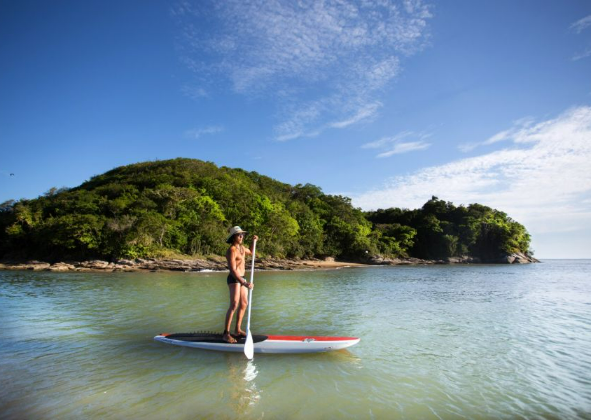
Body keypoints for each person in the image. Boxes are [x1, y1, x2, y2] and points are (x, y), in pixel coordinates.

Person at [223, 226, 258, 344]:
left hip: (242, 278)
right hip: (234, 278)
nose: (242, 236)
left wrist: (254, 242)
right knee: (234, 304)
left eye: (242, 234)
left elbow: (252, 252)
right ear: (234, 237)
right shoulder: (231, 250)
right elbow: (233, 270)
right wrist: (244, 282)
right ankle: (226, 334)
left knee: (244, 303)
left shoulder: (242, 249)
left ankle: (237, 329)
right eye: (239, 235)